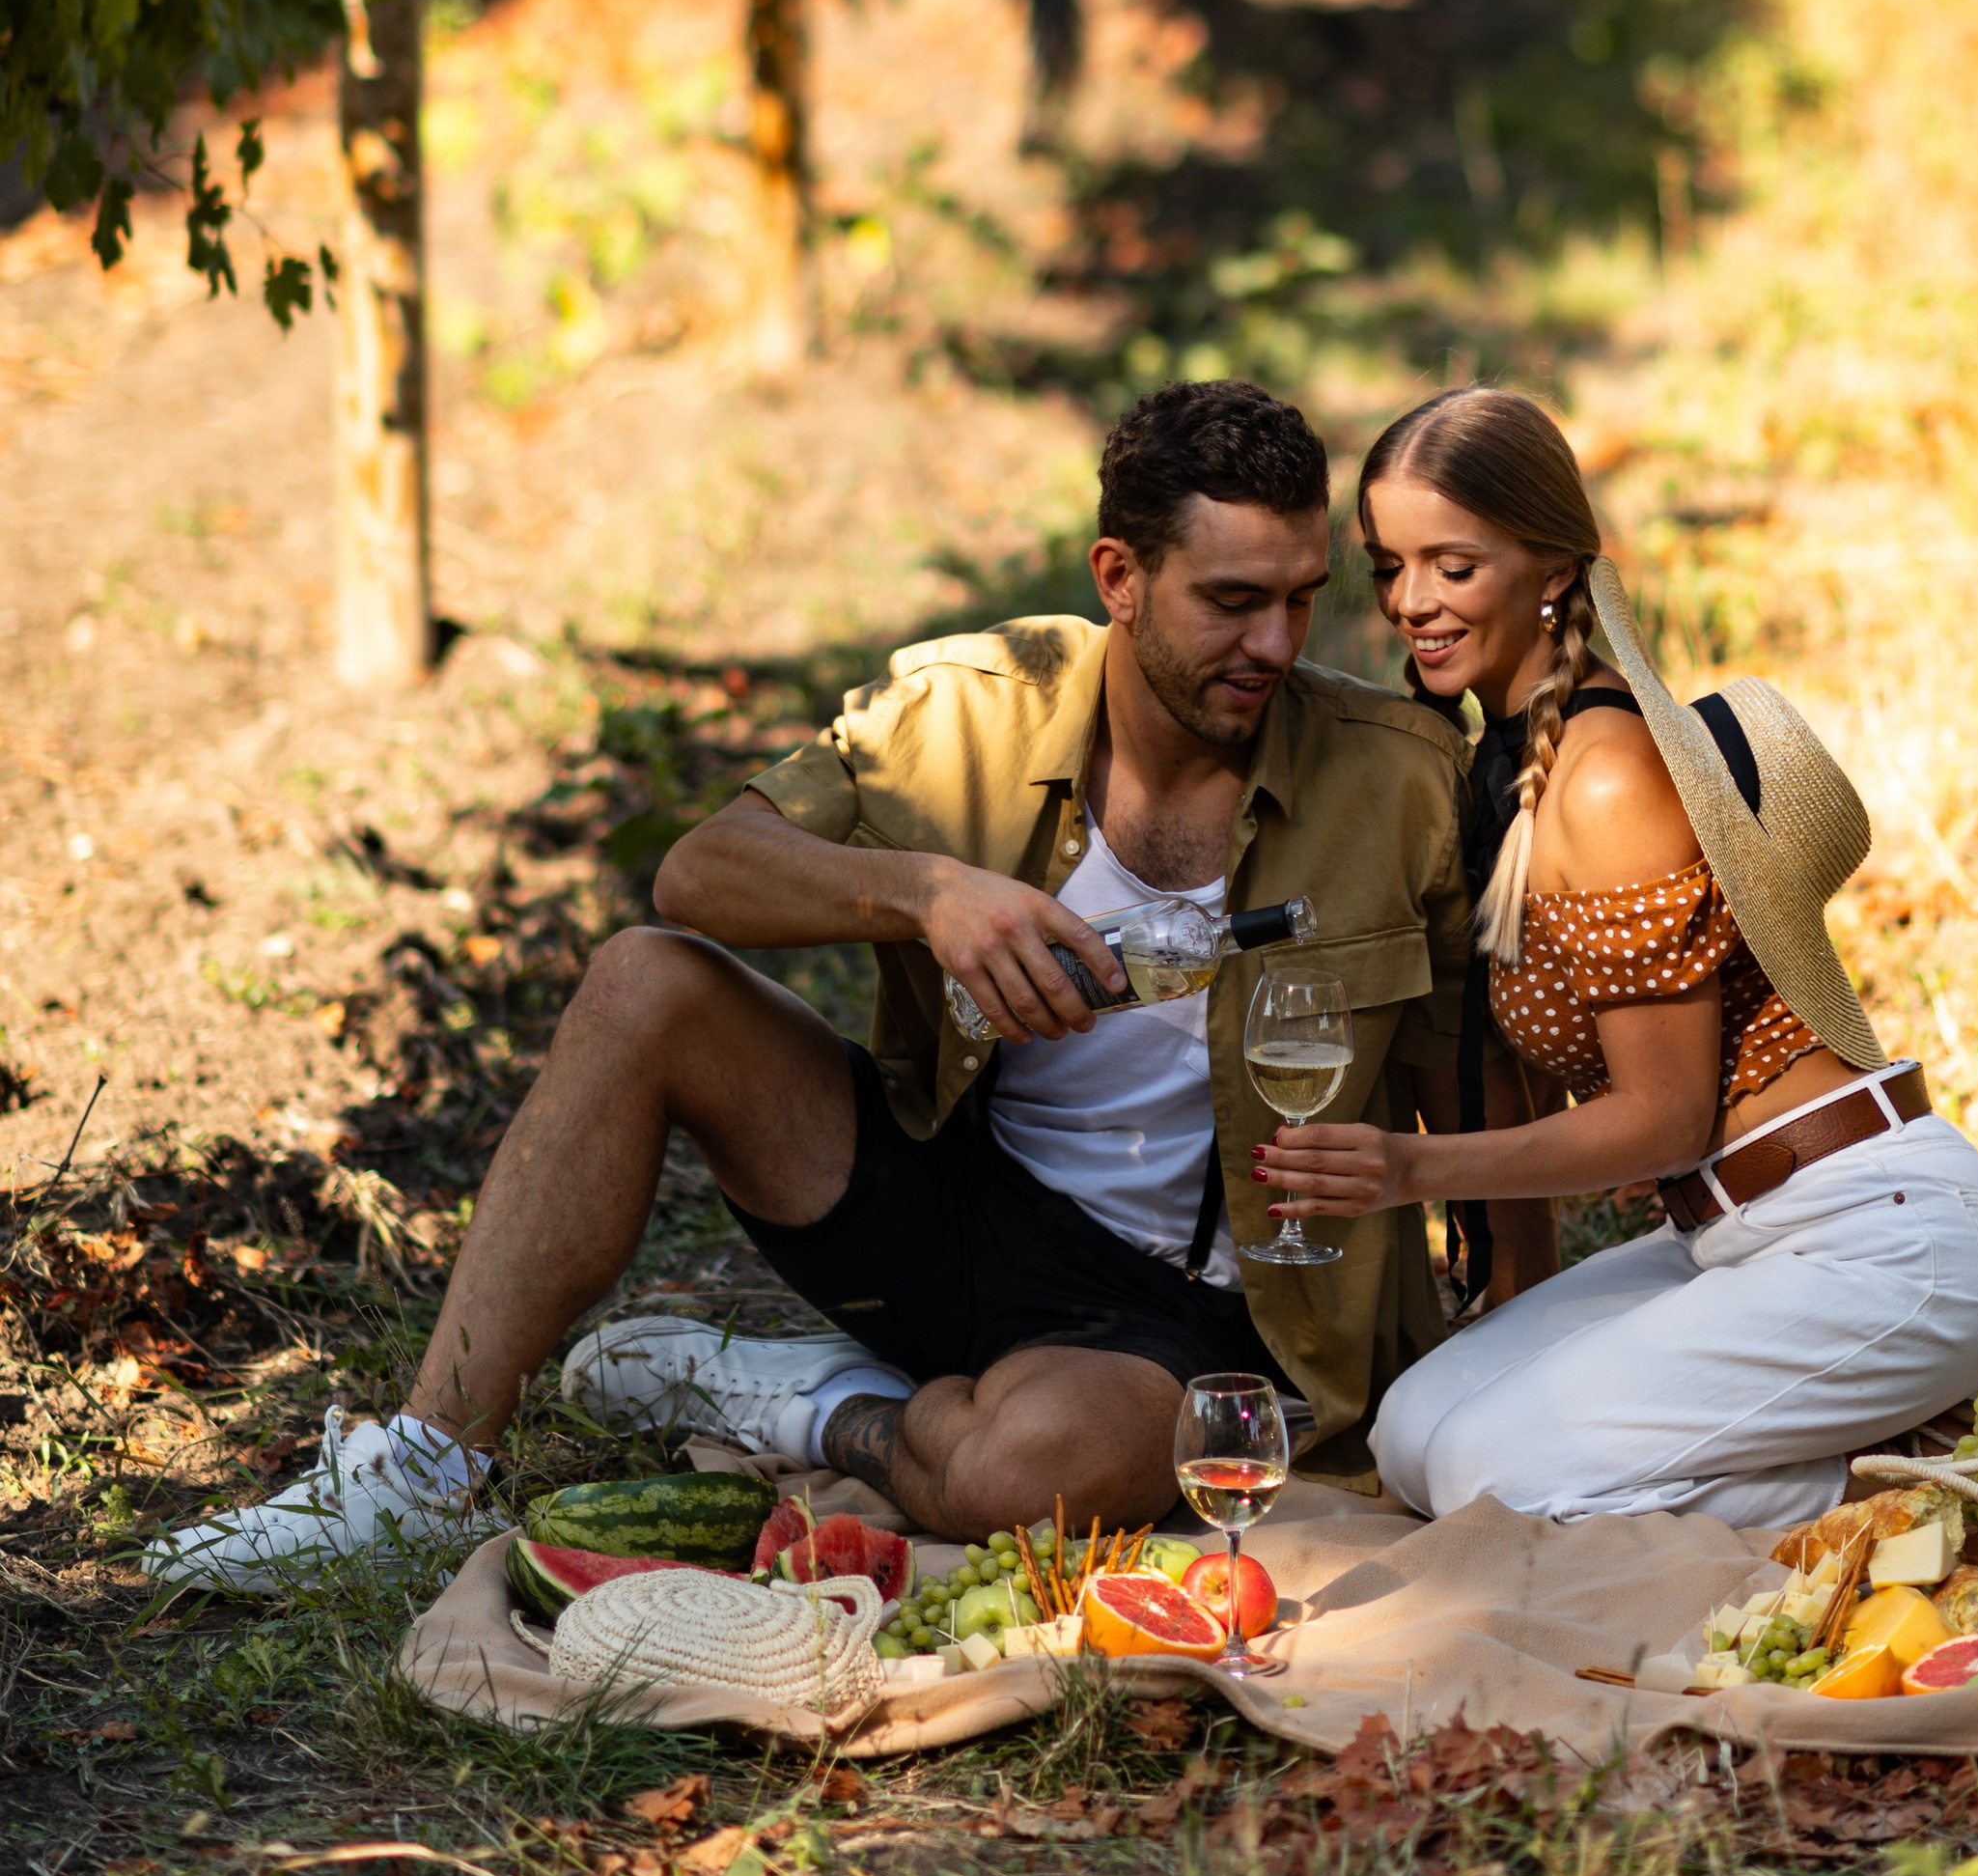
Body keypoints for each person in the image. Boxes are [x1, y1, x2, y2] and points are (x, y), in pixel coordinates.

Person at [147, 382, 1471, 1588]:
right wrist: (924, 893)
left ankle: (806, 1402)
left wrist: (1508, 1335)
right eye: (1232, 600)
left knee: (1013, 1484)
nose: (1275, 641)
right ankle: (427, 1469)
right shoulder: (972, 707)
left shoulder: (1397, 775)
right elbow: (700, 873)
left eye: (1301, 597)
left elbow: (1476, 1072)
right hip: (952, 1198)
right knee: (642, 984)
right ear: (1119, 577)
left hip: (1189, 1300)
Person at [1258, 388, 1978, 1530]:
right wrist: (1520, 1304)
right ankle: (1853, 1448)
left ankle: (1929, 1488)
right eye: (1387, 565)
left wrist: (1411, 1170)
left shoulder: (1607, 774)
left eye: (1452, 565)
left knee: (1487, 1476)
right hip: (1726, 1236)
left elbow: (1663, 1120)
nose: (1410, 602)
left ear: (1554, 565)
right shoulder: (1512, 762)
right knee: (1416, 1432)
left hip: (1880, 1241)